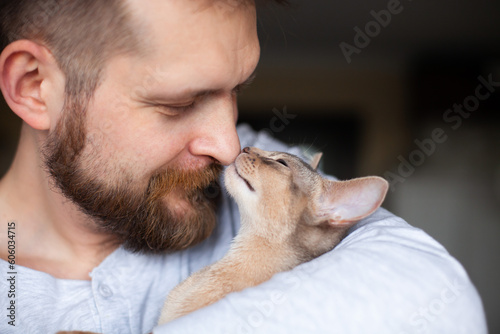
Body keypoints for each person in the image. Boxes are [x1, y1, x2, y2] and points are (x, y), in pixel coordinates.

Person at [0, 0, 487, 333]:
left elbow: (443, 302)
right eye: (180, 102)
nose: (230, 145)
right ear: (34, 86)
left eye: (237, 90)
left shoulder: (258, 206)